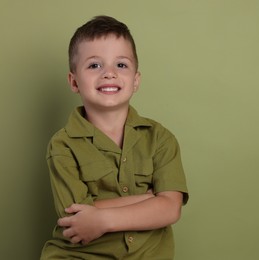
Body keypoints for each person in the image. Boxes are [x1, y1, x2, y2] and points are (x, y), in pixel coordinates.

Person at [40, 15, 189, 259]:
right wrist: (149, 199)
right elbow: (75, 217)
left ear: (136, 80)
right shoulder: (62, 145)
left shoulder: (160, 139)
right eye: (94, 65)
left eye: (120, 65)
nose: (109, 73)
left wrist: (101, 218)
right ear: (74, 81)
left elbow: (170, 209)